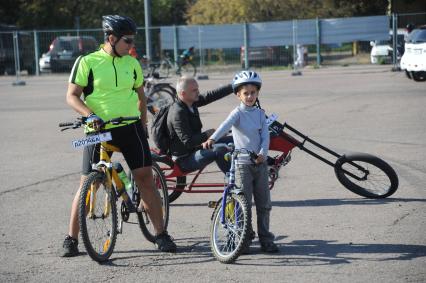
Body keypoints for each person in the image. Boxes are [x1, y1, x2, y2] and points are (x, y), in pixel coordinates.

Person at [62, 15, 176, 257]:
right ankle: (71, 239)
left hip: (130, 127)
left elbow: (141, 97)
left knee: (145, 178)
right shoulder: (87, 62)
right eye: (127, 41)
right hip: (98, 130)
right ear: (111, 38)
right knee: (86, 183)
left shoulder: (131, 63)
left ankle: (161, 234)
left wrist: (143, 122)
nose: (131, 45)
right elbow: (72, 95)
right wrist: (89, 115)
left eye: (133, 41)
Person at [202, 70, 279, 253]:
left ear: (257, 93)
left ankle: (266, 239)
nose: (250, 96)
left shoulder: (261, 114)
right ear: (238, 95)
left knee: (264, 204)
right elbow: (224, 126)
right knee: (242, 204)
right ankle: (243, 239)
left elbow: (265, 137)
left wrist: (263, 153)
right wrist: (212, 138)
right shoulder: (237, 113)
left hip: (259, 164)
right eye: (246, 93)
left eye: (253, 92)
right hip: (242, 165)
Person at [167, 76, 234, 174]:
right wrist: (208, 134)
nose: (198, 92)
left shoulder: (190, 102)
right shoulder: (178, 113)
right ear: (183, 94)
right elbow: (188, 142)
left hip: (198, 148)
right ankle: (234, 184)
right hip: (185, 160)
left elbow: (211, 95)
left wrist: (233, 86)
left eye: (197, 89)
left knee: (235, 140)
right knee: (220, 150)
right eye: (194, 90)